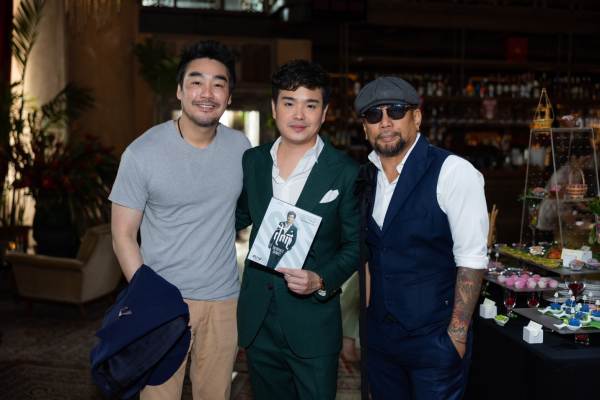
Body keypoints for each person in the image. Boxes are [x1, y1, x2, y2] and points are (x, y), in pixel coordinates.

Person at [109, 40, 250, 400]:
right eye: (196, 82)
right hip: (163, 302)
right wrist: (148, 298)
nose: (207, 93)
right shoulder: (142, 153)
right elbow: (122, 235)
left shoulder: (241, 148)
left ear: (229, 96)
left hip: (224, 301)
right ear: (179, 90)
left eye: (218, 84)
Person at [354, 76, 489, 400]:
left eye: (396, 111)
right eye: (373, 115)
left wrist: (456, 337)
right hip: (381, 341)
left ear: (416, 117)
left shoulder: (453, 172)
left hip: (434, 341)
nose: (385, 122)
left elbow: (472, 260)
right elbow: (371, 255)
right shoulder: (365, 178)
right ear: (364, 128)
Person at [236, 59, 360, 400]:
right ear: (274, 107)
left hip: (313, 323)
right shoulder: (253, 161)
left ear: (325, 112)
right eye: (289, 103)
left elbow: (356, 245)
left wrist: (320, 279)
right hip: (258, 319)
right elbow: (238, 215)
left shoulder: (346, 172)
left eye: (311, 105)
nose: (299, 115)